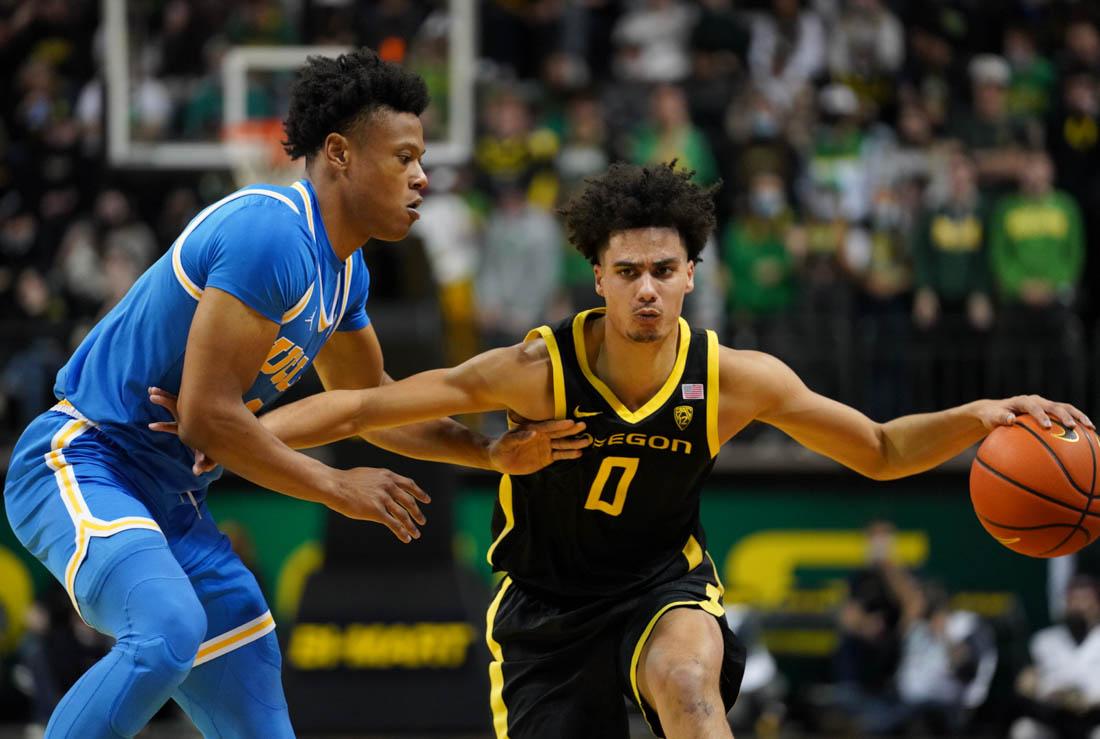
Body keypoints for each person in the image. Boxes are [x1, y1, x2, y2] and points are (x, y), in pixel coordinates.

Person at [164, 162, 1092, 739]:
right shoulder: (537, 368)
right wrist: (219, 437)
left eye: (664, 270)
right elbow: (360, 403)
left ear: (692, 273)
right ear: (597, 275)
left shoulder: (735, 377)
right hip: (541, 610)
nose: (647, 290)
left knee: (691, 688)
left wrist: (979, 414)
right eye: (628, 272)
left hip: (662, 584)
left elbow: (884, 450)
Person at [2, 48, 582, 738]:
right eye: (404, 157)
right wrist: (337, 488)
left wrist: (490, 454)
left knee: (258, 705)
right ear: (339, 153)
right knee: (167, 630)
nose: (422, 177)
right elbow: (206, 418)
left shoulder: (345, 274)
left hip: (170, 499)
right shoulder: (270, 232)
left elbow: (369, 406)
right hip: (83, 460)